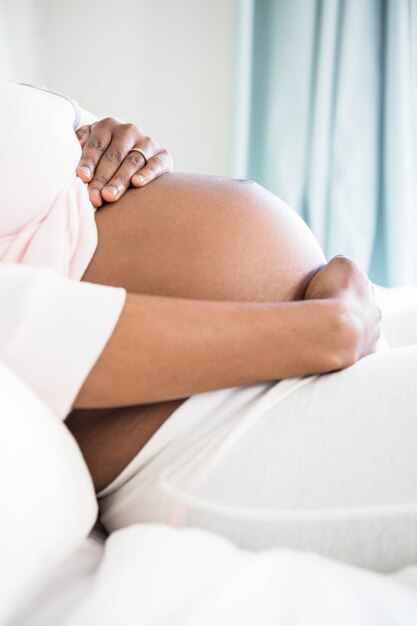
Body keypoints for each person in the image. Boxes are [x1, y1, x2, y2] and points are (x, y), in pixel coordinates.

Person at [3, 81, 414, 573]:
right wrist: (327, 329)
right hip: (217, 428)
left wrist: (111, 140)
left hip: (317, 334)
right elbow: (26, 327)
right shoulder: (324, 332)